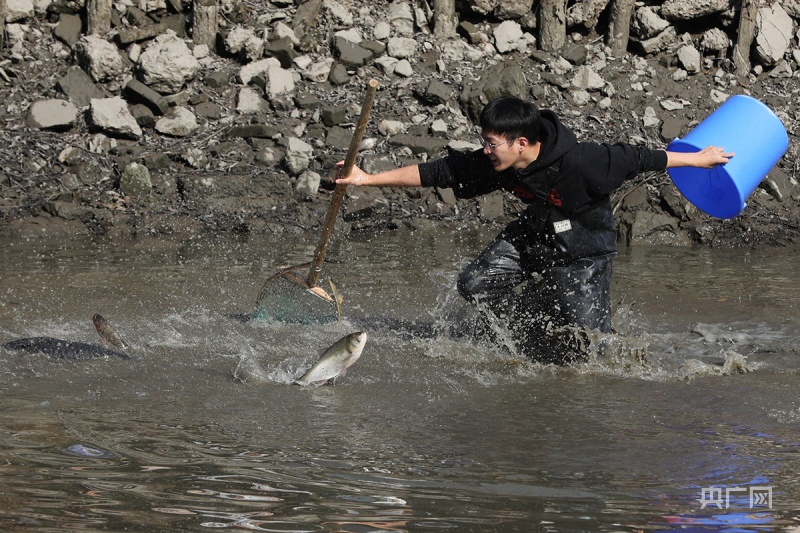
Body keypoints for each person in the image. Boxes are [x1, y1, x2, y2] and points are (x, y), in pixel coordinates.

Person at [336, 95, 733, 363]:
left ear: (521, 142)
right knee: (474, 283)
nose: (486, 151)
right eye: (484, 142)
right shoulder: (497, 163)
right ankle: (526, 326)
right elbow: (437, 171)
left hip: (584, 251)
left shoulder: (584, 162)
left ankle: (556, 317)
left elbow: (639, 158)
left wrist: (698, 159)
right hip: (536, 233)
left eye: (492, 144)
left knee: (586, 353)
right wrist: (366, 179)